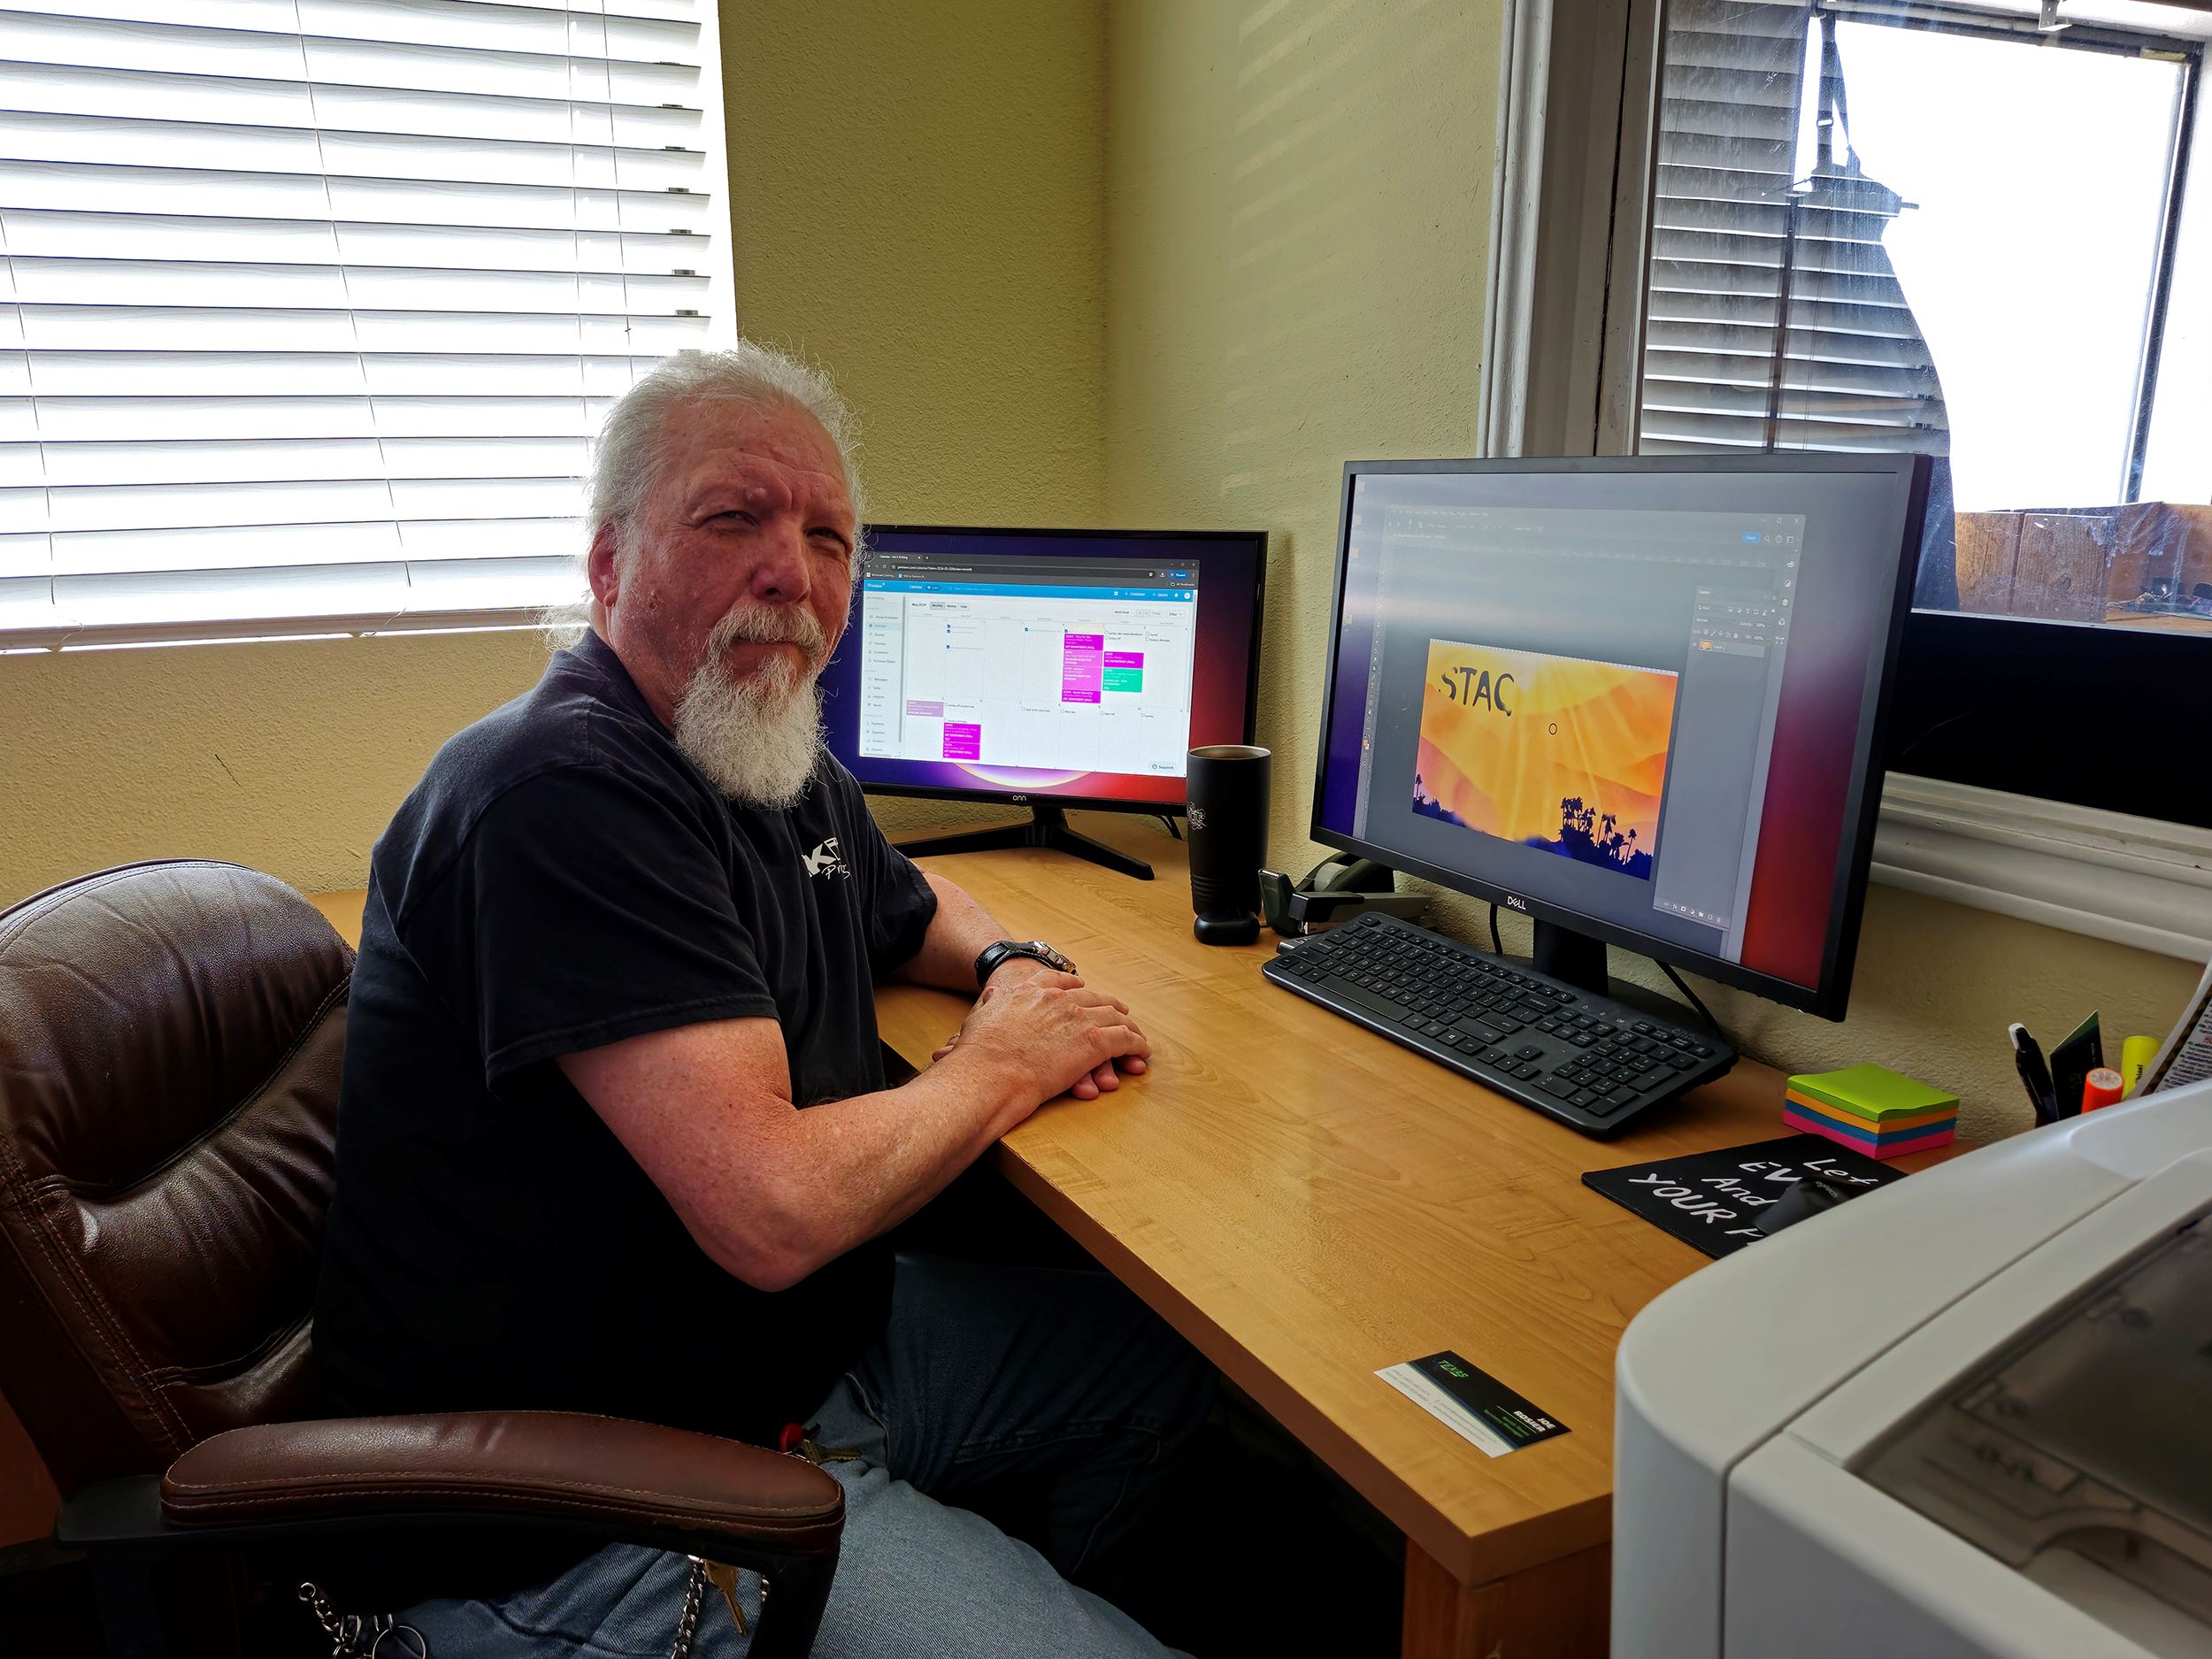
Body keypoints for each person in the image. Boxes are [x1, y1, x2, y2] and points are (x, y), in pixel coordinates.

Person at [312, 342, 1216, 1656]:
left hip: (791, 1369)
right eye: (734, 519)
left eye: (830, 536)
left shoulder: (757, 740)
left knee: (1171, 1373)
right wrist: (1005, 1063)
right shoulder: (557, 794)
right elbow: (772, 1212)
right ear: (609, 564)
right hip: (607, 1502)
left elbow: (906, 910)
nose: (794, 571)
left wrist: (1010, 967)